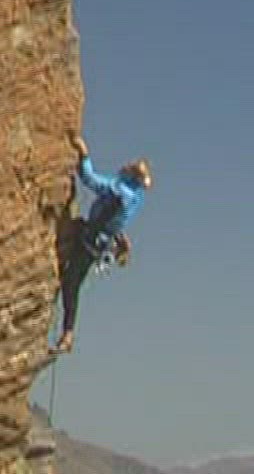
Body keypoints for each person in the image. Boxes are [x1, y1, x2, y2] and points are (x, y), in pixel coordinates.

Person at [53, 134, 152, 354]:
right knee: (73, 281)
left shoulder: (118, 189)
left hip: (88, 240)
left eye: (129, 167)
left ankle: (68, 334)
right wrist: (120, 239)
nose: (124, 167)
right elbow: (115, 220)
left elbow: (90, 179)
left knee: (70, 284)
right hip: (96, 243)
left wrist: (83, 154)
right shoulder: (134, 198)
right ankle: (67, 334)